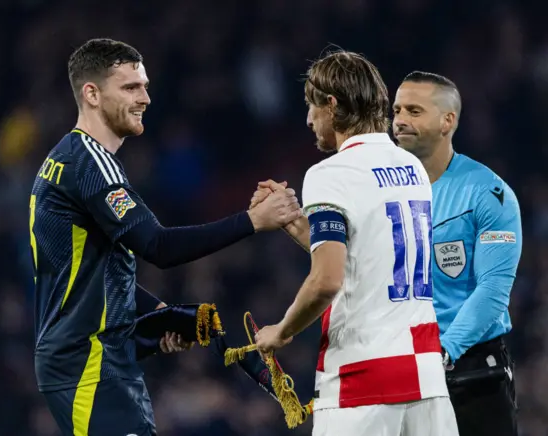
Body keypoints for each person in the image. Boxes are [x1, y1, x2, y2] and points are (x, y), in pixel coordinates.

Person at [29, 38, 301, 436]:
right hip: (88, 365)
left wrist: (159, 315)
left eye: (145, 86)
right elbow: (158, 246)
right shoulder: (89, 165)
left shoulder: (67, 160)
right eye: (130, 88)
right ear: (91, 94)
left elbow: (89, 272)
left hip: (90, 359)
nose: (146, 99)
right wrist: (252, 220)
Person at [250, 49, 458, 436]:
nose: (309, 119)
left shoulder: (332, 173)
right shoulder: (412, 166)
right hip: (426, 377)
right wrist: (295, 224)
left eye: (311, 106)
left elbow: (327, 280)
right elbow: (365, 257)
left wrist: (281, 330)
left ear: (331, 105)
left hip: (363, 381)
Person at [392, 71, 522, 436]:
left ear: (447, 120)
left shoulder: (487, 192)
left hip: (472, 373)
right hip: (402, 371)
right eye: (397, 110)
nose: (400, 120)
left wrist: (442, 351)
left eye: (414, 111)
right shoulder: (384, 191)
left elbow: (494, 289)